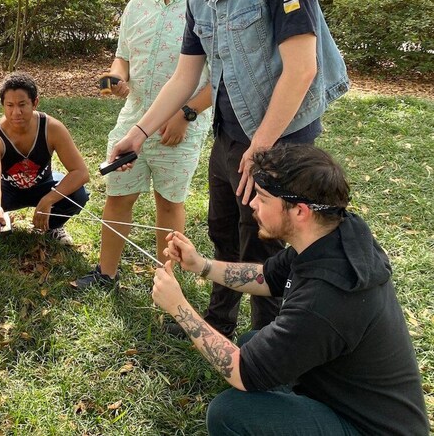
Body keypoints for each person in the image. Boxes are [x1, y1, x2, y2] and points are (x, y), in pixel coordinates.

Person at [110, 0, 349, 338]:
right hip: (230, 136)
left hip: (282, 141)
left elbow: (302, 68)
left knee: (267, 246)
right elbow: (185, 76)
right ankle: (220, 319)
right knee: (224, 231)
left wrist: (261, 146)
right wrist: (137, 134)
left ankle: (270, 343)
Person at [152, 143, 429, 436]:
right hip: (343, 397)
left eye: (262, 197)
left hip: (368, 428)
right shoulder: (332, 233)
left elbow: (241, 371)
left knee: (231, 413)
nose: (252, 205)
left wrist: (179, 308)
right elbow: (266, 277)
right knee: (252, 341)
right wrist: (200, 264)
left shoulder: (328, 296)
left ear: (300, 211)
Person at [73, 0, 211, 290]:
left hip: (181, 127)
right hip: (133, 121)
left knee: (168, 204)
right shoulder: (137, 6)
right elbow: (123, 58)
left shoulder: (204, 3)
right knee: (118, 195)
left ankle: (169, 284)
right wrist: (115, 76)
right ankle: (106, 274)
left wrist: (187, 114)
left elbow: (221, 77)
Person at [0, 72, 89, 245]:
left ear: (35, 103)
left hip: (44, 185)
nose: (16, 112)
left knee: (78, 194)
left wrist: (49, 199)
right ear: (2, 105)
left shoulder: (52, 128)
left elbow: (81, 173)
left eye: (22, 104)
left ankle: (53, 226)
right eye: (9, 105)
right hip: (8, 190)